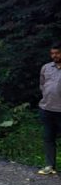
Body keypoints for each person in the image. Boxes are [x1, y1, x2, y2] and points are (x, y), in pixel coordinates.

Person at [38, 45, 61, 175]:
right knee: (48, 138)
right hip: (47, 108)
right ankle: (49, 165)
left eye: (57, 53)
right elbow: (42, 85)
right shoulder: (46, 67)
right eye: (52, 53)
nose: (54, 56)